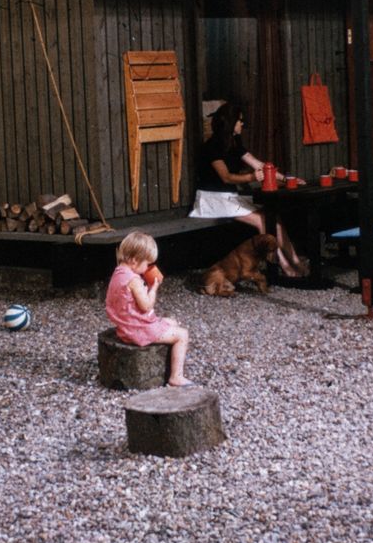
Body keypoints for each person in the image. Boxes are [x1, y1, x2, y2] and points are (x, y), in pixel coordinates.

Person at [188, 102, 306, 277]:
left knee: (273, 217)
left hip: (229, 197)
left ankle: (295, 262)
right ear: (231, 122)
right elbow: (226, 177)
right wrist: (251, 177)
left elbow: (259, 164)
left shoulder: (234, 144)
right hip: (212, 199)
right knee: (261, 221)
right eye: (240, 120)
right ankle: (286, 268)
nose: (242, 124)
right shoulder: (212, 147)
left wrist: (286, 179)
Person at [105, 230, 193, 386]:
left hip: (125, 327)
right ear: (134, 260)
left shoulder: (118, 272)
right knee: (182, 335)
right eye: (146, 263)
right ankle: (176, 376)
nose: (147, 268)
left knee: (171, 322)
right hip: (137, 331)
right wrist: (153, 288)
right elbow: (146, 306)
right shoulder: (133, 280)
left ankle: (168, 363)